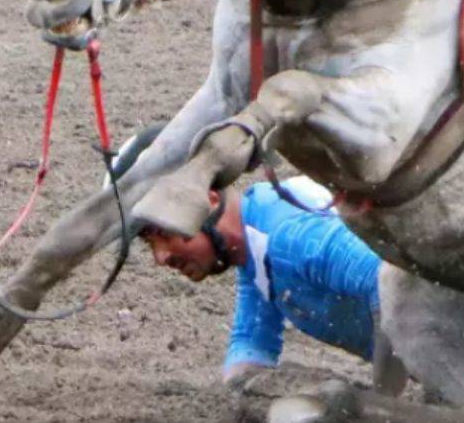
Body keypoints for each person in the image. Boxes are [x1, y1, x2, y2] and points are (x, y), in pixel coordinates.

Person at [112, 127, 387, 389]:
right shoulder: (254, 246)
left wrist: (387, 395)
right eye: (149, 243)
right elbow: (252, 342)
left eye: (163, 232)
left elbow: (386, 279)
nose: (160, 257)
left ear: (208, 201)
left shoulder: (288, 239)